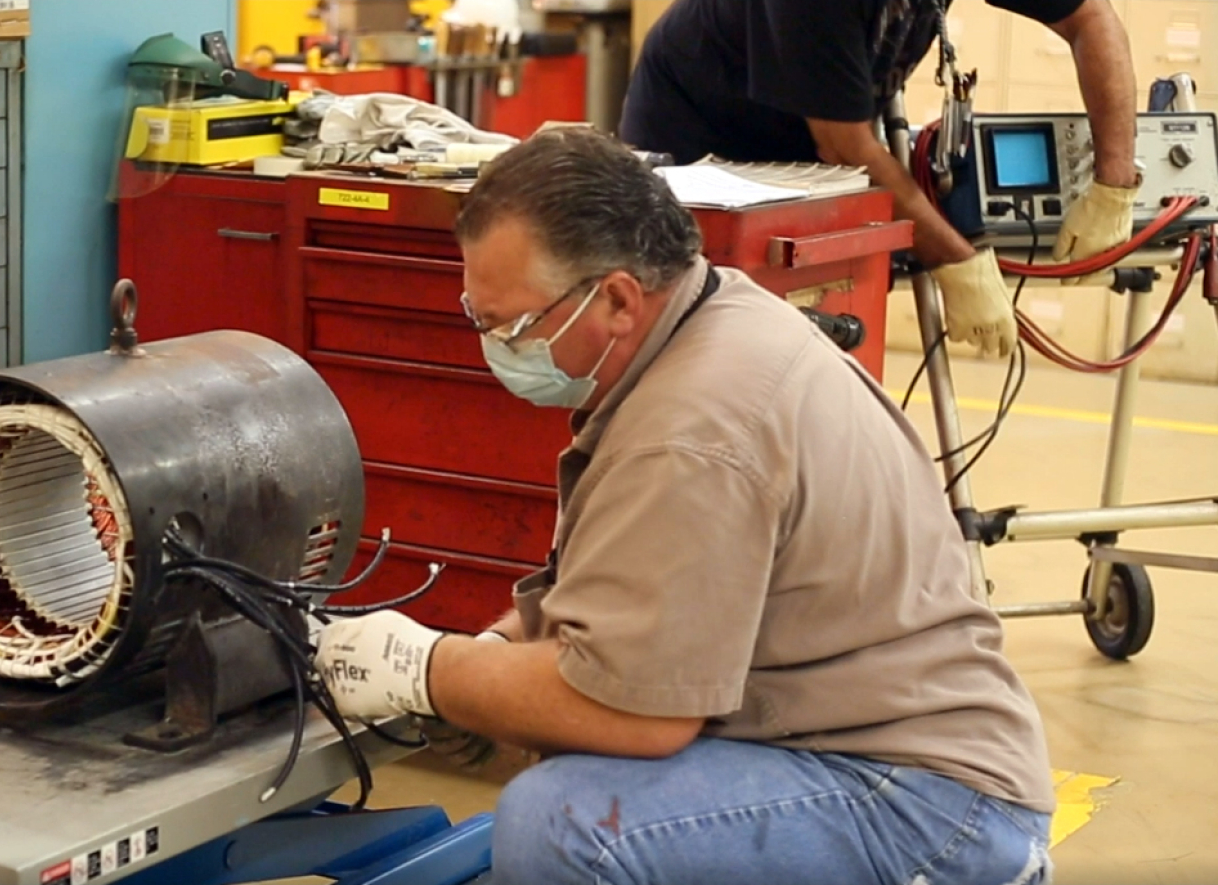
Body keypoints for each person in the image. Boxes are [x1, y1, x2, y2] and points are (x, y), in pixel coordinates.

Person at [316, 129, 1055, 885]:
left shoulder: (690, 429)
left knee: (567, 824)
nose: (496, 345)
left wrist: (419, 667)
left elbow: (636, 714)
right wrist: (495, 657)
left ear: (615, 298)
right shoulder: (713, 315)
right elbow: (621, 600)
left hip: (930, 814)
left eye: (510, 325)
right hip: (871, 751)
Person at [620, 0, 1142, 359]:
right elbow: (843, 143)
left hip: (827, 151)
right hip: (704, 145)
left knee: (834, 351)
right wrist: (955, 260)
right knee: (713, 349)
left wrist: (1114, 187)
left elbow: (1090, 18)